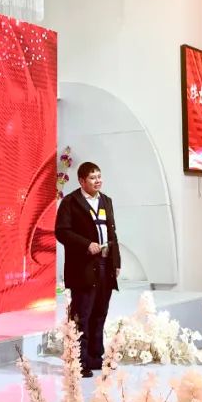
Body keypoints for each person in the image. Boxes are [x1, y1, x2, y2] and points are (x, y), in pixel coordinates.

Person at [55, 161, 121, 378]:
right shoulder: (70, 202)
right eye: (93, 178)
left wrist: (116, 262)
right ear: (82, 181)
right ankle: (78, 361)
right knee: (81, 315)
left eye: (99, 176)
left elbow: (112, 233)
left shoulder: (106, 200)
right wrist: (85, 244)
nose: (97, 181)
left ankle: (94, 357)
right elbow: (62, 232)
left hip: (105, 265)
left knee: (100, 313)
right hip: (83, 267)